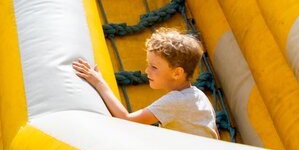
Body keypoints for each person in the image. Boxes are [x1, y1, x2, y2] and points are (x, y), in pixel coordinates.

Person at [72, 30, 217, 139]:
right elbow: (214, 132)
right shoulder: (198, 95)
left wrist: (98, 82)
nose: (147, 71)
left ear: (177, 73)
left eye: (154, 67)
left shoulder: (176, 100)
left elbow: (127, 120)